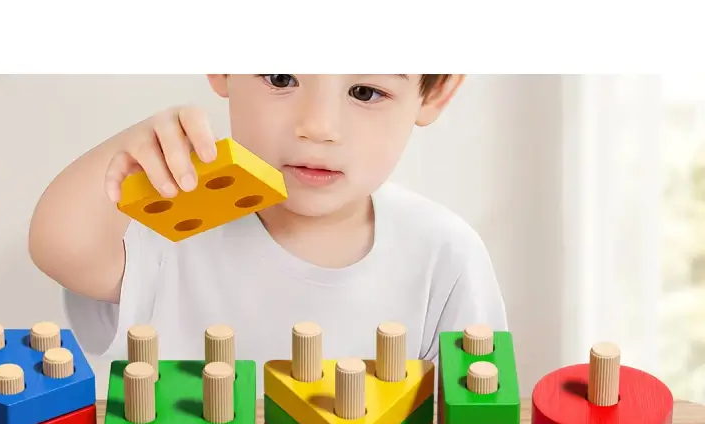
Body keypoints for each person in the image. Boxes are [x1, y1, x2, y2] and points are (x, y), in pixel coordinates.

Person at [29, 74, 508, 395]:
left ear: (436, 91)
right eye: (281, 77)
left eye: (365, 92)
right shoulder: (175, 219)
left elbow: (475, 420)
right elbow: (63, 248)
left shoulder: (443, 252)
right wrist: (131, 153)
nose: (317, 127)